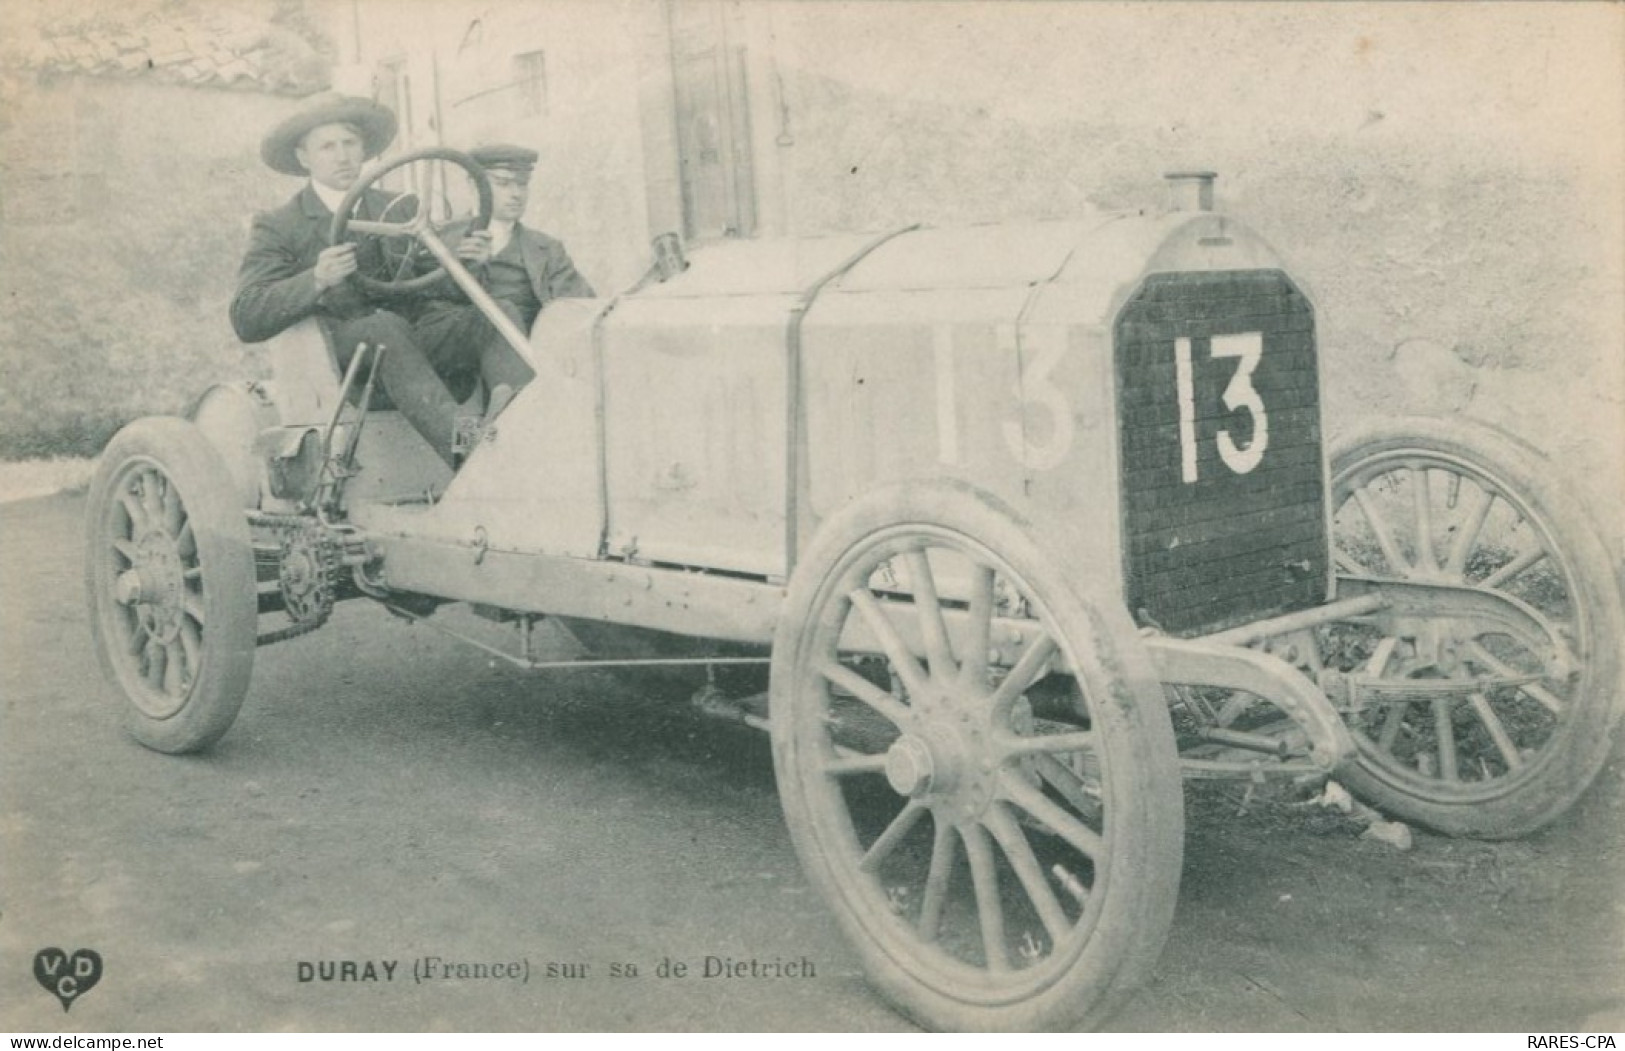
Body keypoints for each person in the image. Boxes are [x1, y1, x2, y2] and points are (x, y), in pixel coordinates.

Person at [230, 93, 489, 467]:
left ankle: (519, 430)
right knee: (383, 328)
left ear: (364, 149)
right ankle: (470, 456)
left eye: (350, 143)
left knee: (494, 316)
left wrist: (463, 263)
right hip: (342, 368)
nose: (342, 156)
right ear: (304, 158)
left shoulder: (399, 208)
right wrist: (316, 279)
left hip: (412, 349)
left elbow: (427, 287)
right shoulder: (280, 224)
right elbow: (246, 315)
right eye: (327, 146)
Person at [412, 144, 595, 420]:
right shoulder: (437, 239)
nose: (516, 194)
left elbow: (578, 306)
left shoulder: (545, 248)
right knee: (503, 312)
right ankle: (519, 417)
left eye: (522, 184)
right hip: (459, 353)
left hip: (529, 353)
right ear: (475, 186)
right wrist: (471, 267)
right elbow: (426, 308)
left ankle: (516, 414)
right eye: (503, 183)